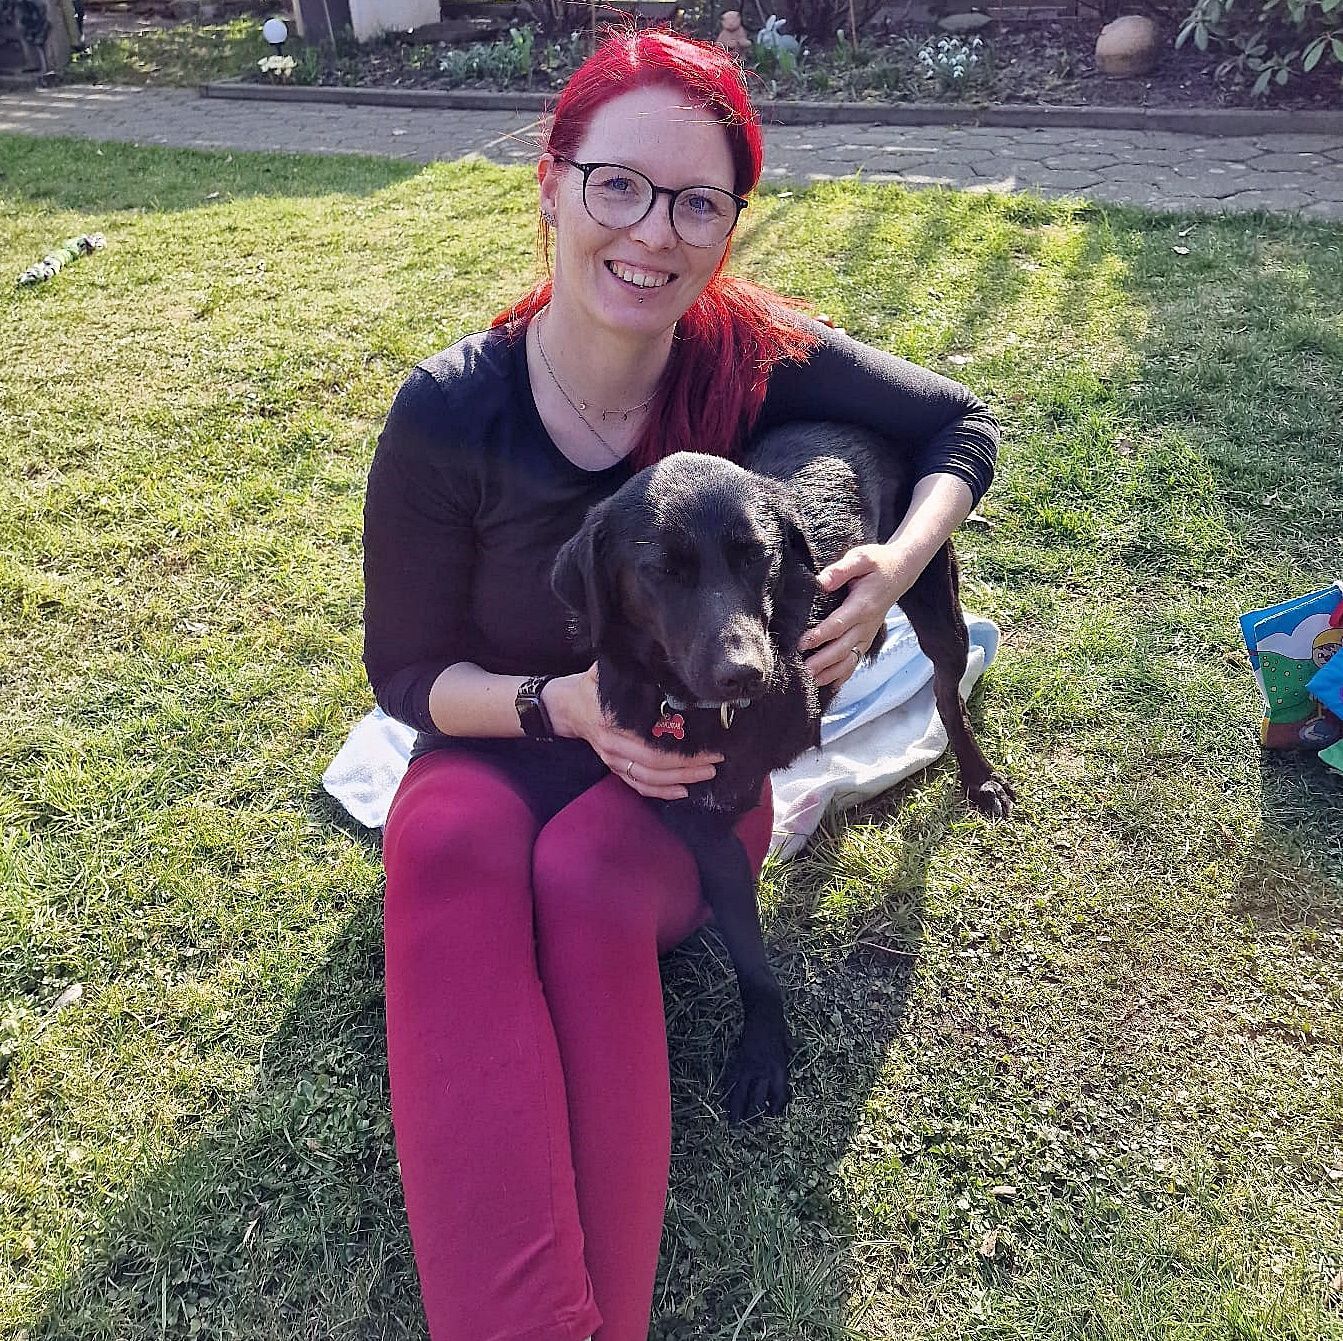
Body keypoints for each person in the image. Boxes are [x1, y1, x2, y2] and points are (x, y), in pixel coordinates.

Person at [362, 27, 998, 1341]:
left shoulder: (753, 354)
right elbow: (408, 674)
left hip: (693, 764)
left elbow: (960, 425)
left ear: (727, 227)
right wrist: (556, 707)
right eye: (619, 184)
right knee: (451, 844)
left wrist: (889, 571)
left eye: (698, 201)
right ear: (551, 182)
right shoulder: (449, 414)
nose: (654, 231)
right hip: (504, 740)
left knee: (586, 878)